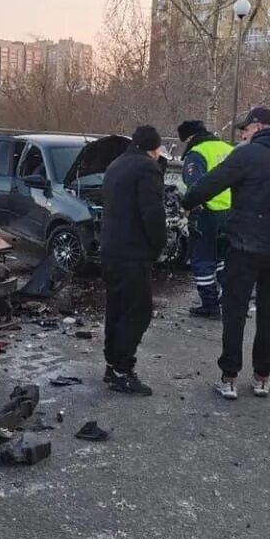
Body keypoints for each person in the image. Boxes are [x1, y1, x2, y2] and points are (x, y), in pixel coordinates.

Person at [181, 107, 270, 400]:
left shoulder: (246, 155)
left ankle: (229, 377)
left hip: (243, 246)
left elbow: (208, 185)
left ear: (259, 127)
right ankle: (262, 377)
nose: (243, 134)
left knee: (235, 311)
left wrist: (188, 200)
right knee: (268, 312)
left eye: (246, 129)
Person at [99, 125, 168, 396]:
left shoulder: (116, 165)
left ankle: (112, 365)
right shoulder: (147, 170)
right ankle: (122, 370)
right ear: (154, 148)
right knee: (138, 312)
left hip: (111, 249)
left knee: (115, 308)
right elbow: (152, 214)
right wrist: (159, 245)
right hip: (133, 253)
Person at [177, 120, 233, 319]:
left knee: (202, 260)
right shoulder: (228, 148)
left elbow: (196, 187)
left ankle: (209, 304)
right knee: (222, 258)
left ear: (190, 138)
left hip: (208, 213)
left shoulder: (197, 153)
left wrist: (187, 208)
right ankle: (226, 298)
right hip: (231, 212)